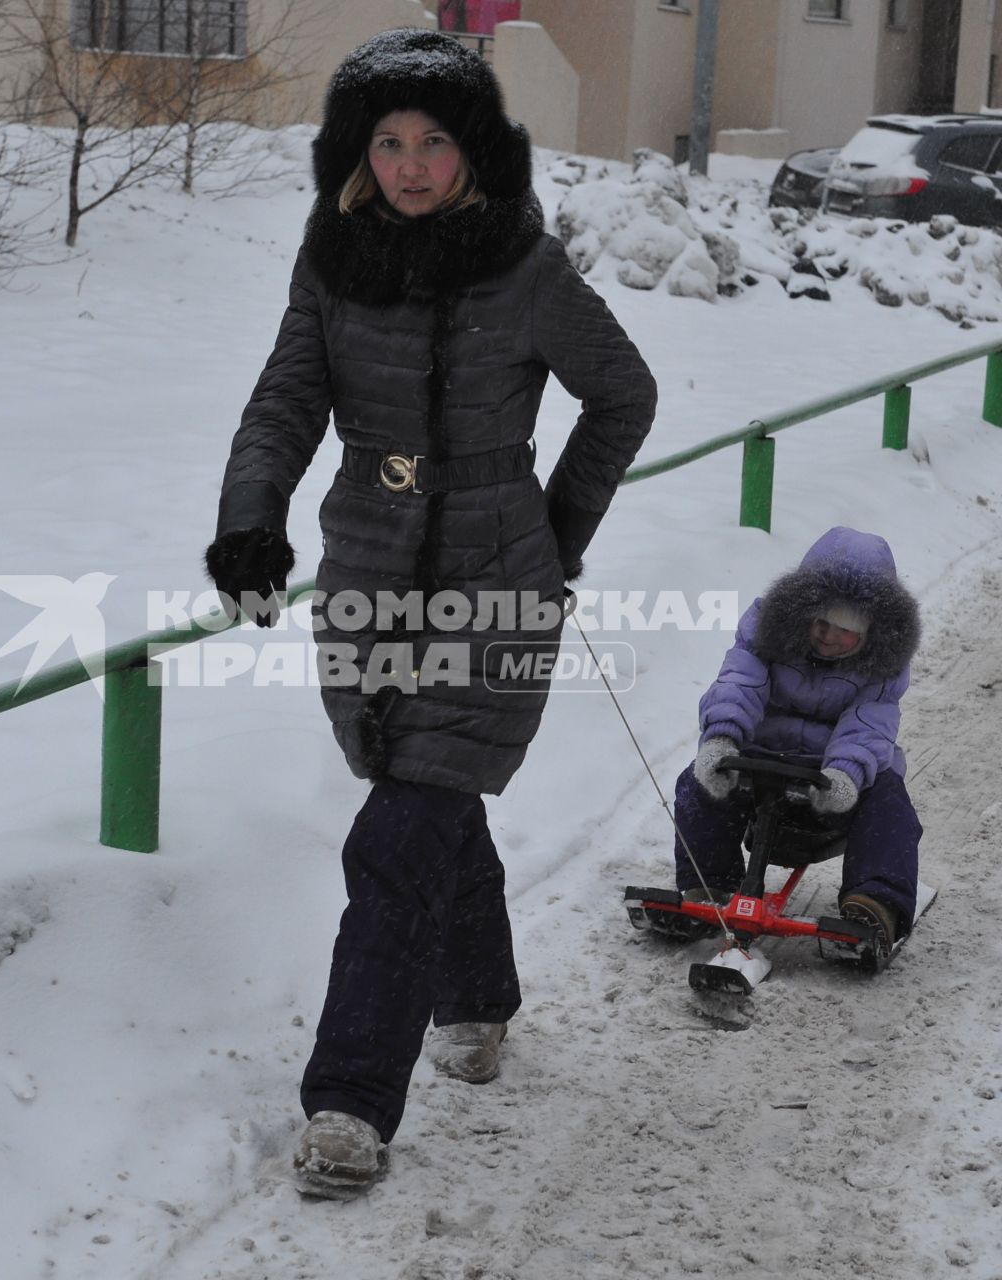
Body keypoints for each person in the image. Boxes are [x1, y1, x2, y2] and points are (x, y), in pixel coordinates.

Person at [204, 28, 656, 1198]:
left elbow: (623, 394)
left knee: (397, 832)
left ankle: (350, 1098)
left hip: (497, 583)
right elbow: (284, 400)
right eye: (389, 141)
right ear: (361, 152)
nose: (409, 164)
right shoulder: (332, 258)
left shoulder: (525, 268)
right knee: (421, 796)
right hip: (366, 575)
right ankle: (477, 994)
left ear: (473, 152)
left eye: (434, 141)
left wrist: (557, 532)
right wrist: (254, 518)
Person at [674, 526, 923, 962]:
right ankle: (708, 882)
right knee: (695, 783)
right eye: (821, 622)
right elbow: (739, 684)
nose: (829, 635)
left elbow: (869, 724)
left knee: (889, 801)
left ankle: (876, 900)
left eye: (845, 629)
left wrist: (845, 774)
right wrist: (722, 739)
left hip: (832, 779)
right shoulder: (764, 637)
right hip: (760, 763)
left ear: (871, 632)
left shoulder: (881, 668)